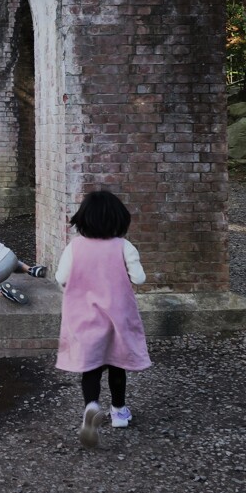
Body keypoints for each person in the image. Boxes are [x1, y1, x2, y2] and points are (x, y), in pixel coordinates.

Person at [55, 190, 151, 449]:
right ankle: (119, 412)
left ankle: (92, 406)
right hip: (117, 317)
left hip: (84, 317)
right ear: (119, 219)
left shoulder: (74, 247)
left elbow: (60, 277)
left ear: (83, 219)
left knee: (91, 368)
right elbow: (140, 278)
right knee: (117, 366)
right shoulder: (124, 246)